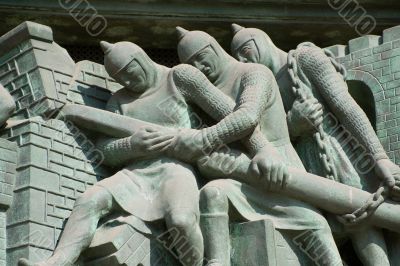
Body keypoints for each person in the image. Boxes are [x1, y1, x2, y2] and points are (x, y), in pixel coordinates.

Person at [166, 27, 343, 266]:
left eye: (201, 58)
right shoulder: (203, 93)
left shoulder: (254, 73)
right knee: (213, 192)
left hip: (281, 172)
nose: (200, 67)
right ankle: (217, 262)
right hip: (244, 176)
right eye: (192, 64)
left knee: (315, 226)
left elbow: (248, 116)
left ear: (214, 48)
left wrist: (202, 140)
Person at [230, 24, 400, 266]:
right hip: (305, 166)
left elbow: (345, 106)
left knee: (363, 220)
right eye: (236, 55)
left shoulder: (306, 57)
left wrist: (380, 158)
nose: (241, 58)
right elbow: (265, 138)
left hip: (342, 156)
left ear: (260, 41)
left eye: (244, 49)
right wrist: (293, 124)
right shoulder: (260, 84)